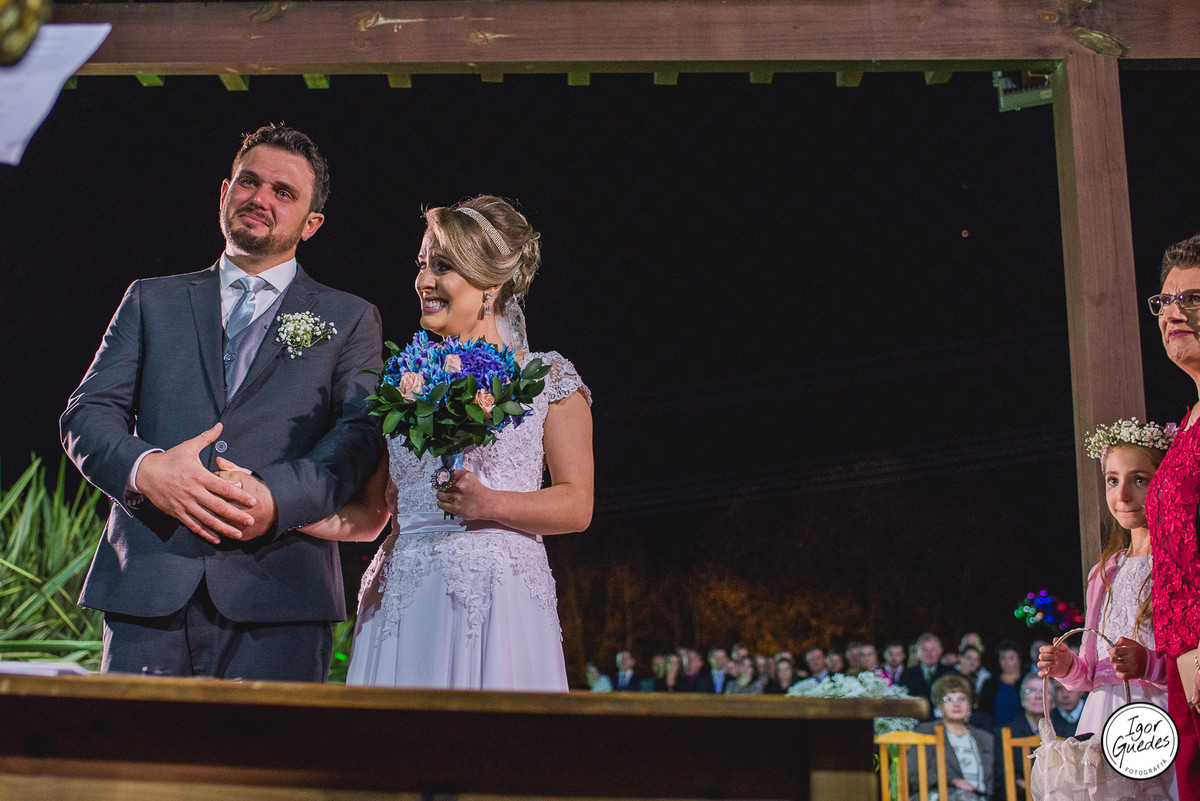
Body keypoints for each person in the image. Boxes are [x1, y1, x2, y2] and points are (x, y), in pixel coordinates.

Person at [60, 124, 385, 681]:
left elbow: (358, 438)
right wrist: (147, 470)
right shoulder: (150, 299)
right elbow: (86, 415)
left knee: (268, 767)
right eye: (248, 182)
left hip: (280, 596)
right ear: (224, 193)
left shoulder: (351, 317)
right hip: (150, 589)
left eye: (283, 193)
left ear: (312, 224)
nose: (260, 198)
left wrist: (276, 498)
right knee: (138, 766)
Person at [297, 196, 593, 691]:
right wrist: (268, 508)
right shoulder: (403, 387)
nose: (423, 281)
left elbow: (577, 503)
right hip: (403, 603)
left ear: (490, 285)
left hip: (498, 604)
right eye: (422, 265)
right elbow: (370, 517)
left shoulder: (548, 380)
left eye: (443, 266)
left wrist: (490, 503)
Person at [1036, 419, 1174, 767]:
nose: (1122, 495)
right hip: (1103, 719)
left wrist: (1149, 665)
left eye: (1139, 480)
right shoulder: (1104, 571)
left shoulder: (1177, 562)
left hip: (1160, 716)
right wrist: (1068, 666)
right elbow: (1091, 674)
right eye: (1113, 481)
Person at [1143, 233, 1200, 798]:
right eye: (1163, 302)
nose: (1172, 312)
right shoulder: (1187, 422)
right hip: (1185, 661)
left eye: (1193, 298)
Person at [908, 674, 993, 801]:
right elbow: (915, 774)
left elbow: (995, 780)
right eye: (949, 699)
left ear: (969, 705)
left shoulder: (985, 738)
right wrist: (952, 781)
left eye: (962, 699)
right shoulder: (926, 732)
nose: (956, 704)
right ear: (939, 706)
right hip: (939, 795)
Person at [978, 640, 1023, 728]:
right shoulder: (989, 684)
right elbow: (984, 712)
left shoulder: (1027, 682)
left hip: (1023, 734)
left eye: (1011, 658)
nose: (1007, 662)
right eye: (1003, 658)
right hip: (995, 732)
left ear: (1019, 660)